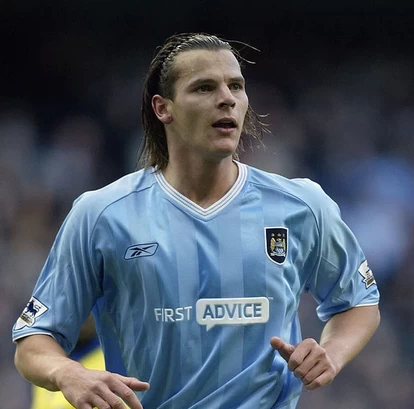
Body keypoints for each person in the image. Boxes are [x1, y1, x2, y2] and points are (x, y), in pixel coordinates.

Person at [13, 32, 380, 409]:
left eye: (236, 86)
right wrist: (67, 372)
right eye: (204, 87)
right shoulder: (101, 214)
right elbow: (33, 340)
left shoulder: (302, 204)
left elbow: (359, 301)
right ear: (163, 108)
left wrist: (332, 352)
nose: (227, 99)